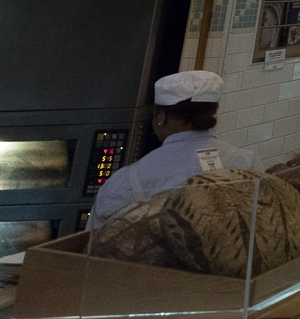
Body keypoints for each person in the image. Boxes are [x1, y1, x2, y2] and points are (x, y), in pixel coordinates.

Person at [90, 71, 256, 229]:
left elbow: (92, 241)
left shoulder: (126, 180)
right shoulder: (246, 162)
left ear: (161, 117)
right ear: (214, 111)